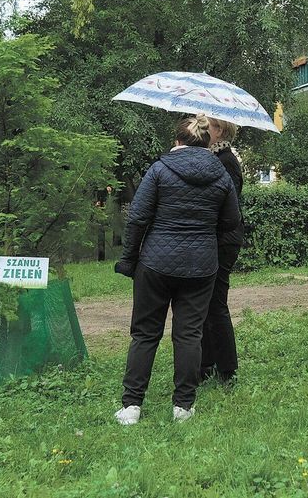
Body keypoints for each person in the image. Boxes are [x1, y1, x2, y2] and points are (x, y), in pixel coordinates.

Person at [113, 115, 240, 424]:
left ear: (179, 141)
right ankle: (183, 407)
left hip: (155, 264)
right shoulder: (221, 176)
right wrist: (207, 246)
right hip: (200, 268)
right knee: (189, 335)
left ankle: (131, 407)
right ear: (205, 142)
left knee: (144, 334)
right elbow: (231, 224)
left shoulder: (159, 170)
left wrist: (129, 260)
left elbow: (138, 218)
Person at [201, 117, 245, 384]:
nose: (204, 132)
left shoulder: (225, 160)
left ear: (219, 131)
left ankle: (227, 370)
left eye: (207, 128)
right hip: (216, 237)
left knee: (215, 303)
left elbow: (227, 201)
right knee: (206, 304)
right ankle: (207, 364)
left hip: (224, 239)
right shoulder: (215, 157)